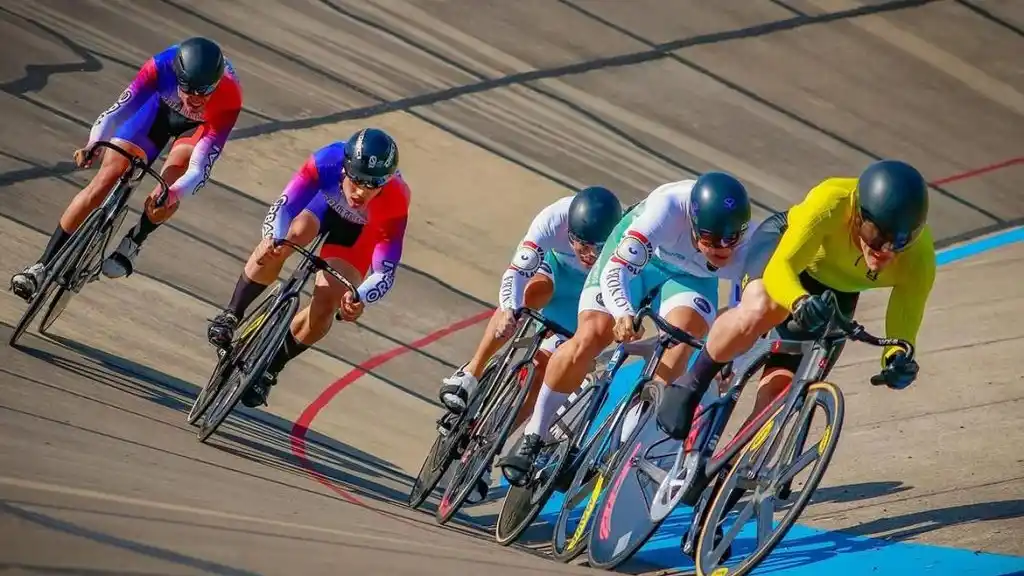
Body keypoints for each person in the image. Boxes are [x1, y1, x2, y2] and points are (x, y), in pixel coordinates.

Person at [498, 172, 755, 486]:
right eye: (711, 238)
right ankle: (534, 435)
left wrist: (734, 363)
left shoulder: (750, 247)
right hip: (640, 262)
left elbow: (750, 316)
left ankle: (618, 451)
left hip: (690, 280)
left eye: (732, 238)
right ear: (692, 221)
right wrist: (622, 314)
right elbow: (618, 270)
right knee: (593, 333)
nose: (723, 248)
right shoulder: (666, 209)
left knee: (682, 343)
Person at [656, 159, 934, 446]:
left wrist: (895, 360)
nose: (884, 253)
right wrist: (799, 301)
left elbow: (903, 327)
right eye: (875, 237)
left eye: (900, 243)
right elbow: (781, 269)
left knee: (784, 392)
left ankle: (729, 470)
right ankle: (692, 384)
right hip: (784, 253)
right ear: (857, 216)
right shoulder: (832, 201)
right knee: (763, 307)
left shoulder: (920, 259)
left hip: (836, 290)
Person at [10, 37, 242, 298]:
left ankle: (134, 240)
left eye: (204, 92)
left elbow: (200, 168)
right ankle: (41, 267)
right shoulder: (159, 66)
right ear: (177, 75)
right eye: (188, 89)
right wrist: (94, 143)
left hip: (195, 130)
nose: (196, 99)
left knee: (171, 184)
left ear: (217, 84)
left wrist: (173, 194)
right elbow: (118, 111)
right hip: (158, 111)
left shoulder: (229, 97)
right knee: (106, 177)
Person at [437, 186, 623, 502]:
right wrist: (510, 309)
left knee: (543, 372)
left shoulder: (626, 238)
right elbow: (516, 273)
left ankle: (487, 451)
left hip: (586, 299)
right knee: (528, 293)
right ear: (570, 231)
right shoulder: (552, 220)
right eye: (581, 245)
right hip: (553, 275)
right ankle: (471, 372)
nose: (588, 255)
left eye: (597, 249)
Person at [206, 128, 409, 408]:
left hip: (359, 234)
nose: (362, 191)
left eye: (373, 185)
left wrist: (361, 297)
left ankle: (270, 368)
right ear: (345, 168)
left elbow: (385, 269)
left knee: (328, 301)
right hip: (321, 208)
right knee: (286, 240)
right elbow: (284, 206)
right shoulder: (327, 160)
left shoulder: (396, 198)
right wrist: (271, 238)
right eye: (358, 180)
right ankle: (232, 314)